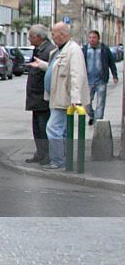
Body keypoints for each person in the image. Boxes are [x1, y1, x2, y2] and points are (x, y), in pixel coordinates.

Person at [42, 22, 90, 171]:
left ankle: (58, 160)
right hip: (56, 97)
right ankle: (63, 158)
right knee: (61, 130)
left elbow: (77, 75)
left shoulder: (73, 50)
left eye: (53, 33)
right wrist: (42, 65)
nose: (52, 35)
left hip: (65, 99)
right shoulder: (58, 50)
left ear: (62, 34)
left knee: (53, 128)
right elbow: (54, 69)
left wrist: (76, 99)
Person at [23, 24, 56, 164]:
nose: (29, 39)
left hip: (43, 97)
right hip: (36, 96)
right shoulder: (39, 49)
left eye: (30, 36)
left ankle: (46, 154)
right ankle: (40, 153)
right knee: (37, 127)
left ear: (38, 37)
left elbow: (52, 72)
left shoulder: (49, 50)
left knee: (43, 128)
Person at [81, 30, 118, 125]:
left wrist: (115, 75)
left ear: (98, 39)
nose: (92, 39)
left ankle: (98, 123)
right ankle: (93, 116)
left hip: (101, 80)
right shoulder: (84, 50)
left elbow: (111, 63)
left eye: (94, 38)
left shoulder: (104, 49)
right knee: (86, 103)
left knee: (101, 103)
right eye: (90, 37)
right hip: (88, 81)